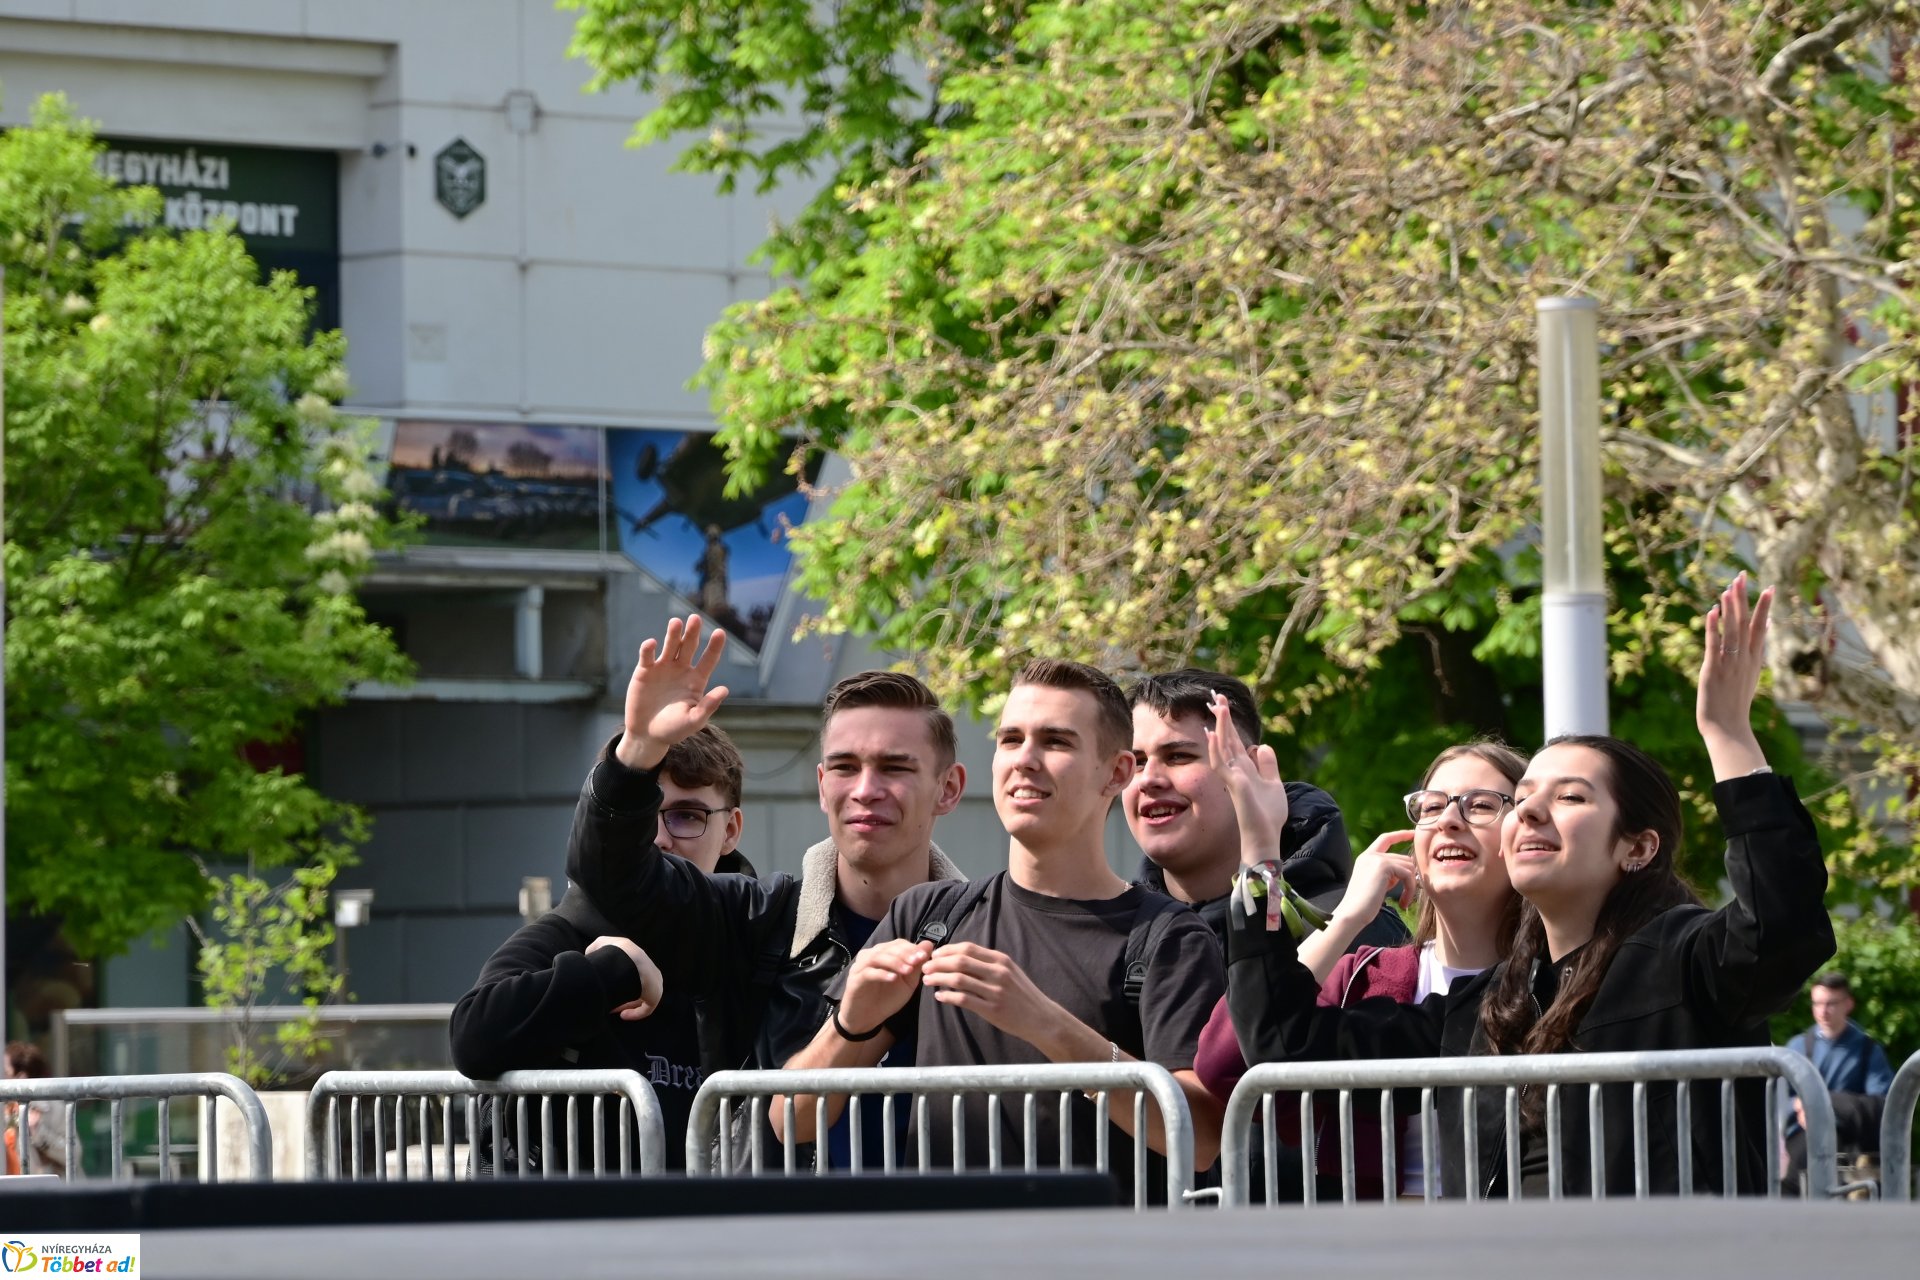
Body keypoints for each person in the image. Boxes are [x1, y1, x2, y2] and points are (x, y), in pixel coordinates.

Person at [1223, 575, 1834, 1196]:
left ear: (1638, 847)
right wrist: (1260, 854)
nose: (1532, 813)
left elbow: (1783, 924)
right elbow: (1281, 1045)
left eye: (1570, 797)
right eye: (1522, 800)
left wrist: (1729, 735)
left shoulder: (1683, 957)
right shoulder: (1484, 1008)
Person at [777, 659, 1227, 1197]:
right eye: (1010, 740)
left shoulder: (1168, 937)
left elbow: (1200, 1136)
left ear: (1117, 772)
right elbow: (790, 1122)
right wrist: (851, 1022)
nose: (1025, 761)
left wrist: (1045, 1024)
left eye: (1055, 742)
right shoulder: (927, 915)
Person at [563, 615, 968, 1164]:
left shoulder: (988, 932)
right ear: (824, 787)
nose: (867, 790)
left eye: (894, 767)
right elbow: (613, 878)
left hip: (952, 1237)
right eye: (845, 767)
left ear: (949, 789)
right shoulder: (752, 918)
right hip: (779, 1239)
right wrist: (636, 751)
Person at [1194, 739, 1527, 1198]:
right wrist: (1343, 918)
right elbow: (1228, 1063)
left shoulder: (1553, 981)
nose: (1450, 820)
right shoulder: (1366, 975)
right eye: (1431, 807)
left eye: (1482, 805)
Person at [449, 724, 751, 1171]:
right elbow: (473, 1038)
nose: (660, 838)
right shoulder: (559, 937)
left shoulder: (754, 939)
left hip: (720, 1232)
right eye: (642, 816)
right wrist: (611, 973)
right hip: (579, 1232)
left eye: (687, 816)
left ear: (731, 830)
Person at [1125, 669, 1408, 953]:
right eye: (1137, 761)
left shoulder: (1354, 930)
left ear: (1254, 769)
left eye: (1178, 756)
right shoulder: (1113, 937)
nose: (1148, 779)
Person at [1780, 972, 1895, 1191]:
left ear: (1848, 1004)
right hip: (1803, 1139)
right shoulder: (1796, 1047)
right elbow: (1777, 1101)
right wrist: (1797, 1106)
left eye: (1831, 1003)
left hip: (1851, 1143)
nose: (1823, 1011)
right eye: (1817, 1003)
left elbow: (1881, 1103)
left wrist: (1826, 1108)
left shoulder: (1868, 1050)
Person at [3, 1042, 65, 1177]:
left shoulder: (52, 1108)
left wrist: (39, 1132)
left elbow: (72, 1155)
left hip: (42, 1192)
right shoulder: (5, 1109)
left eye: (6, 1072)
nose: (3, 1077)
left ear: (22, 1076)